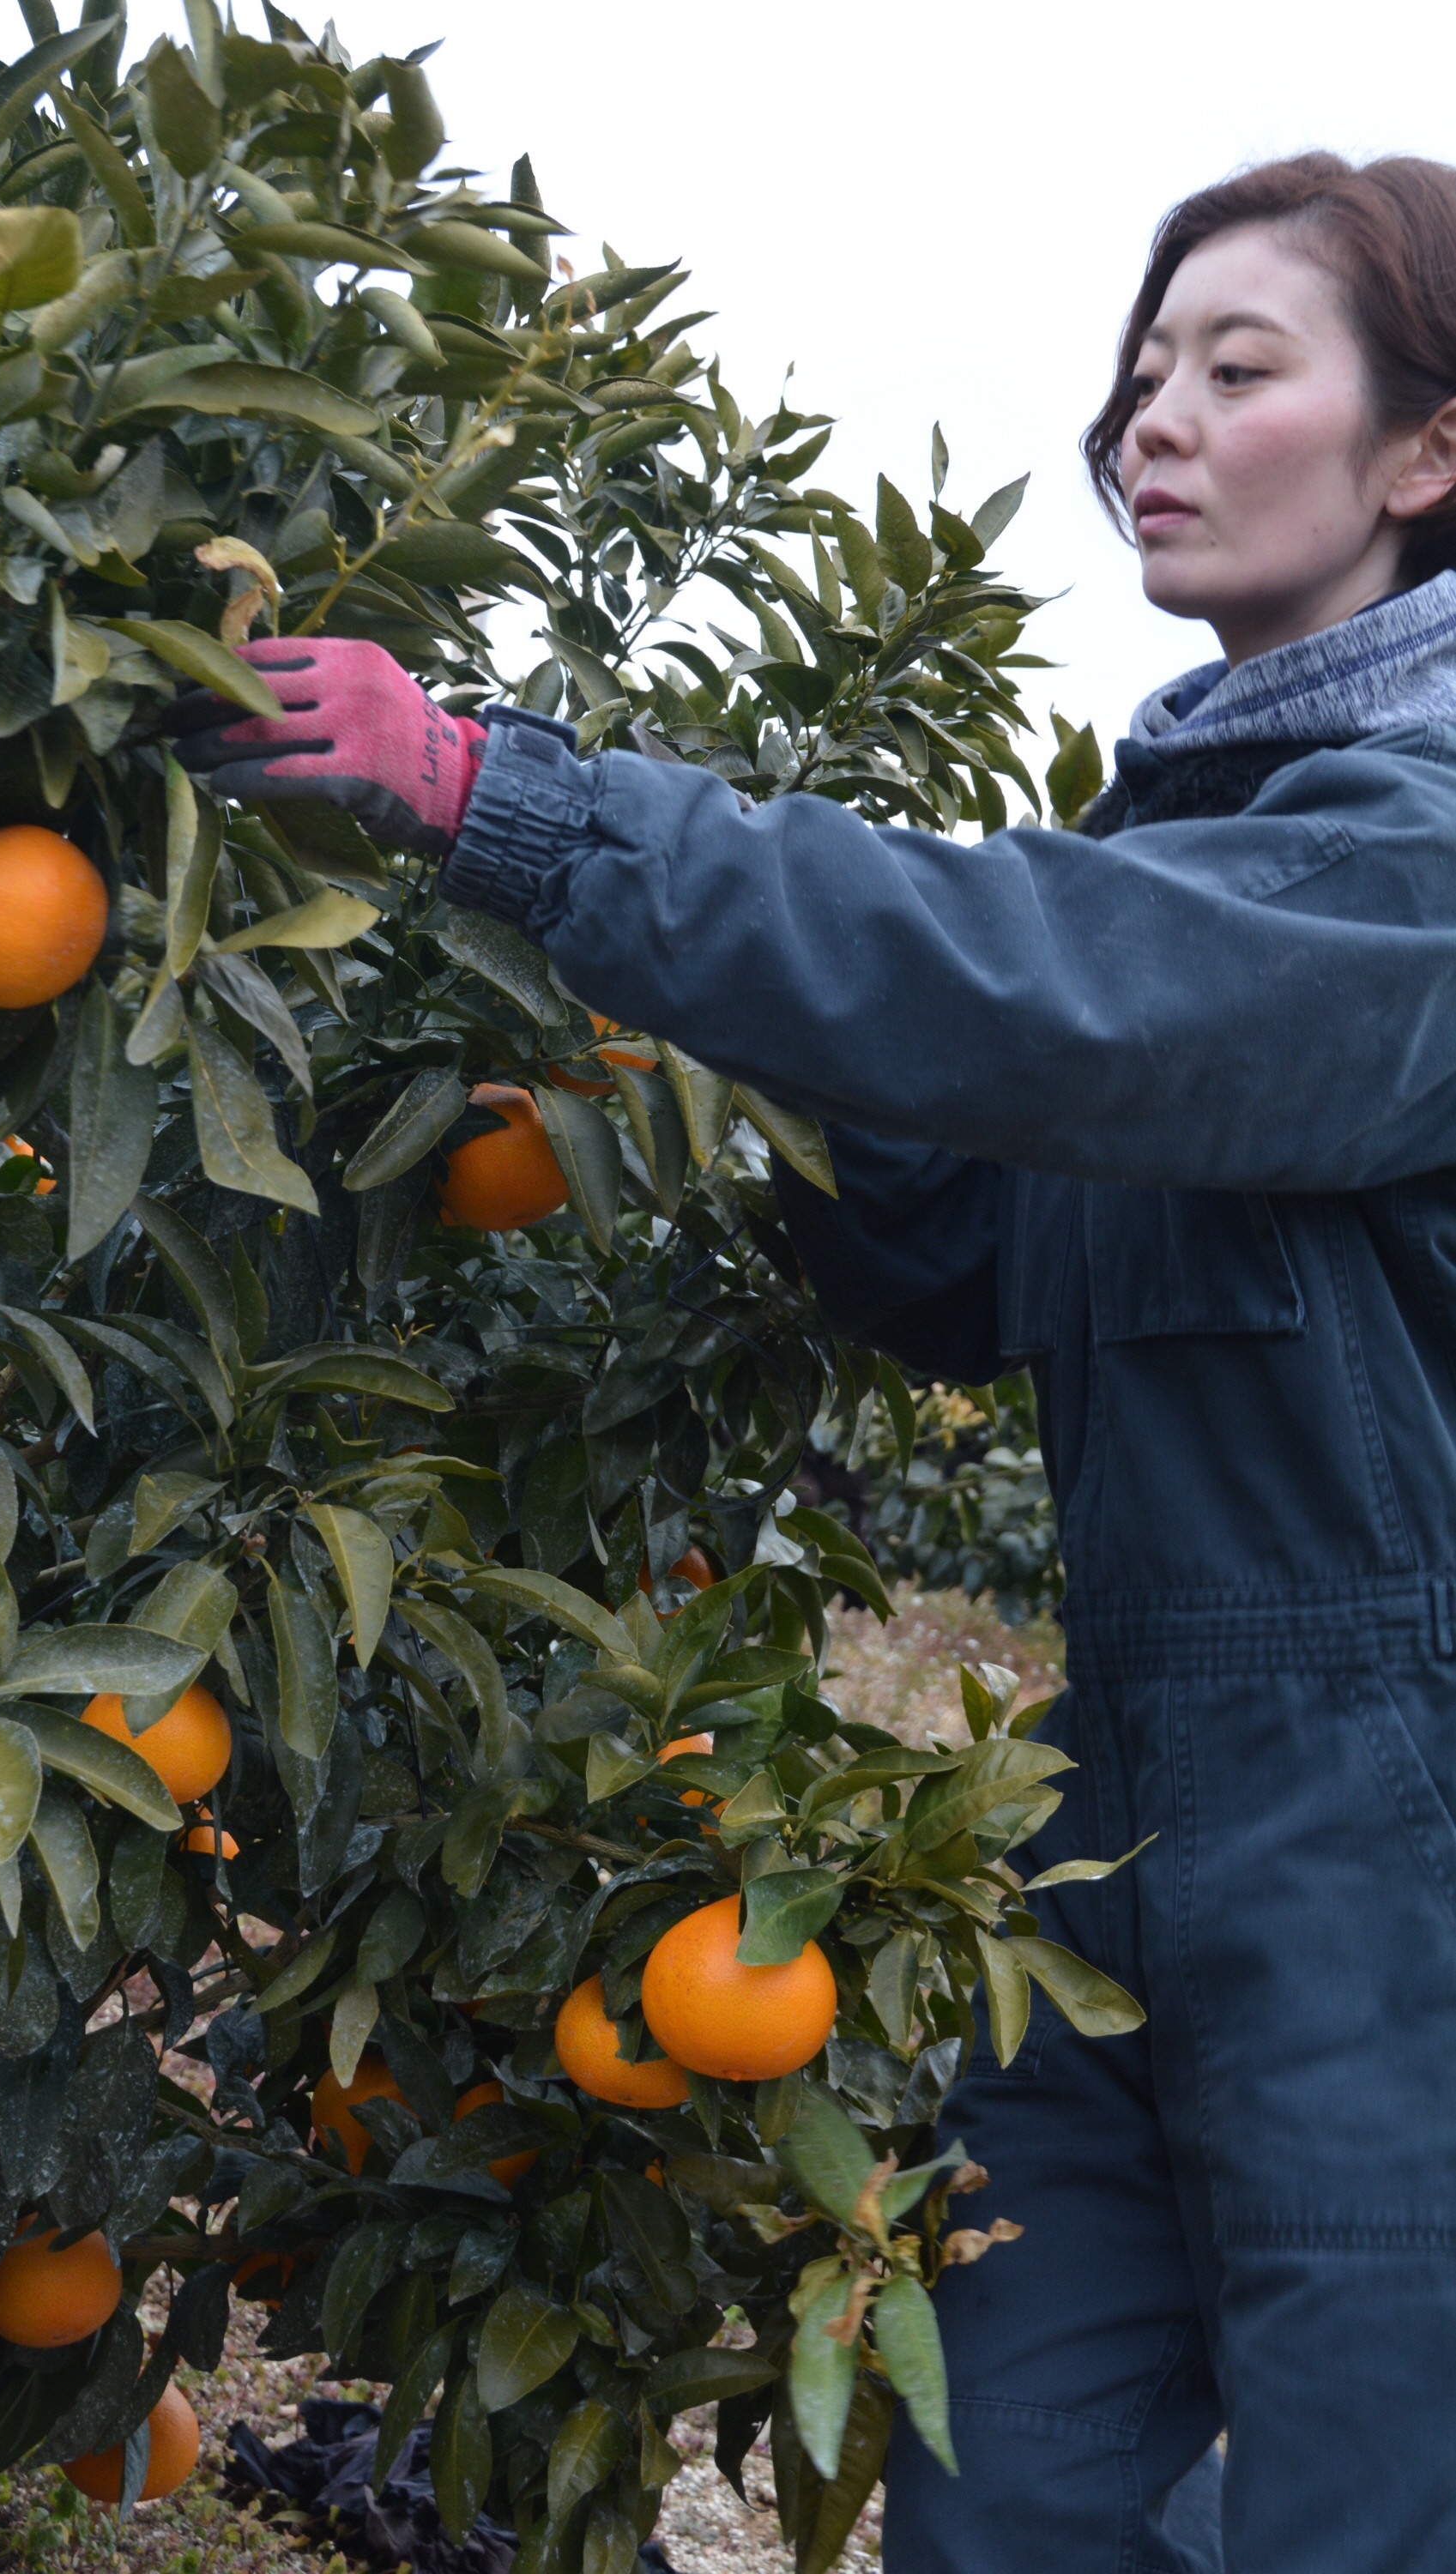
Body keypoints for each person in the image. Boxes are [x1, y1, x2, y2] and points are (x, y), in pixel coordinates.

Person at [166, 153, 1456, 2572]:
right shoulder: (1207, 840)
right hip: (1132, 1814)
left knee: (1370, 2502)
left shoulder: (1412, 852)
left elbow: (1047, 983)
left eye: (1237, 367)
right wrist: (682, 1036)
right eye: (1142, 369)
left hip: (1407, 1840)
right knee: (1005, 2485)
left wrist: (523, 809)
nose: (1147, 420)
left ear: (1426, 451)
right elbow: (965, 1258)